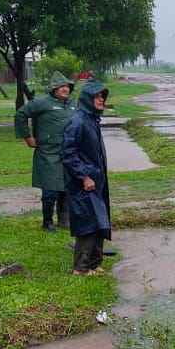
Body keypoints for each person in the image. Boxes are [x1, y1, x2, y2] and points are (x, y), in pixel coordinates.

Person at [14, 71, 76, 232]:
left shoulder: (71, 103)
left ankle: (64, 219)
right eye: (62, 86)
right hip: (48, 152)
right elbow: (21, 114)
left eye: (68, 86)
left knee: (67, 187)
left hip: (68, 152)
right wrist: (27, 137)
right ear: (54, 88)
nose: (66, 89)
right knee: (50, 190)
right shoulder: (41, 102)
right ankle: (47, 221)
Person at [61, 79, 111, 276]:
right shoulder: (78, 121)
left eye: (103, 96)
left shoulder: (91, 120)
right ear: (88, 99)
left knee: (100, 220)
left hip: (97, 180)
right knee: (88, 223)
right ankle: (81, 268)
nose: (101, 100)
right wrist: (84, 177)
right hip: (85, 182)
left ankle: (94, 263)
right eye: (97, 96)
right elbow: (67, 153)